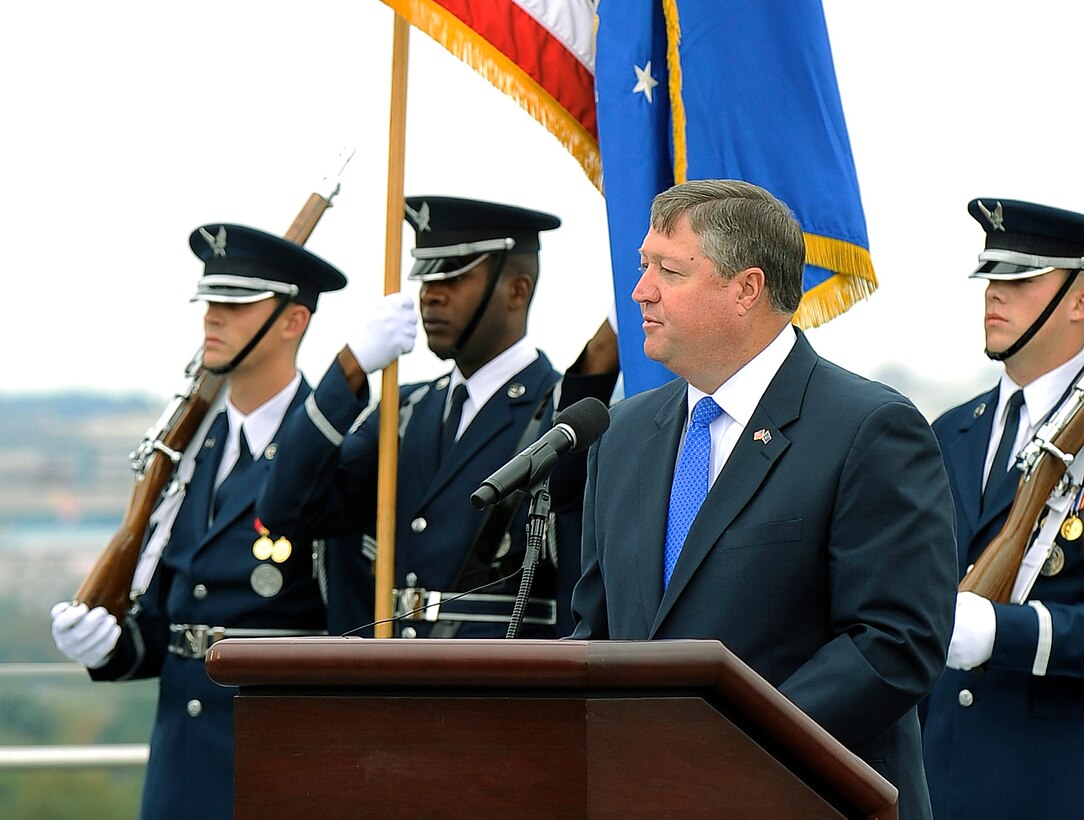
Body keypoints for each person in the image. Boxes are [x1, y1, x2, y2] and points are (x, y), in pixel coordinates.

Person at [569, 179, 957, 820]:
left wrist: (732, 741)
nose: (641, 291)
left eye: (669, 270)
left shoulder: (869, 428)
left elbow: (895, 642)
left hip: (802, 796)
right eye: (644, 267)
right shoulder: (623, 436)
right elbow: (597, 633)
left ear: (746, 289)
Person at [49, 224, 346, 820]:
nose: (213, 316)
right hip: (179, 768)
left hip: (276, 763)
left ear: (294, 321)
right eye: (211, 301)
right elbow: (170, 618)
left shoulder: (332, 450)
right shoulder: (188, 454)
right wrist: (109, 646)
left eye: (236, 304)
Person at [258, 195, 619, 638]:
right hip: (392, 692)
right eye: (426, 277)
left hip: (499, 694)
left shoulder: (561, 413)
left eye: (454, 277)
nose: (431, 294)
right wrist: (349, 367)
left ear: (517, 290)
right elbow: (287, 509)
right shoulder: (407, 411)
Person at [921, 198, 1084, 819]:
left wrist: (1008, 633)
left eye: (1021, 278)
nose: (995, 293)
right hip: (937, 785)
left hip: (1053, 788)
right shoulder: (949, 433)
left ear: (1080, 298)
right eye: (992, 276)